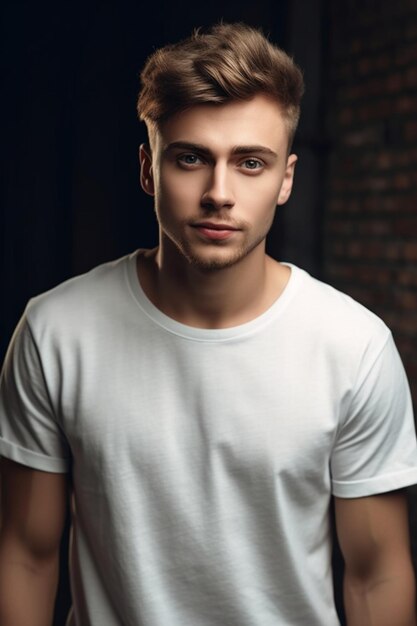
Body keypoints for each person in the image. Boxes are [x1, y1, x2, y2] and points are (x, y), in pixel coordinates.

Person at [0, 22, 417, 626]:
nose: (218, 193)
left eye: (251, 163)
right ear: (148, 170)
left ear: (286, 180)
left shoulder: (353, 348)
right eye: (191, 158)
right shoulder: (56, 332)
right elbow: (26, 554)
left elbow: (378, 574)